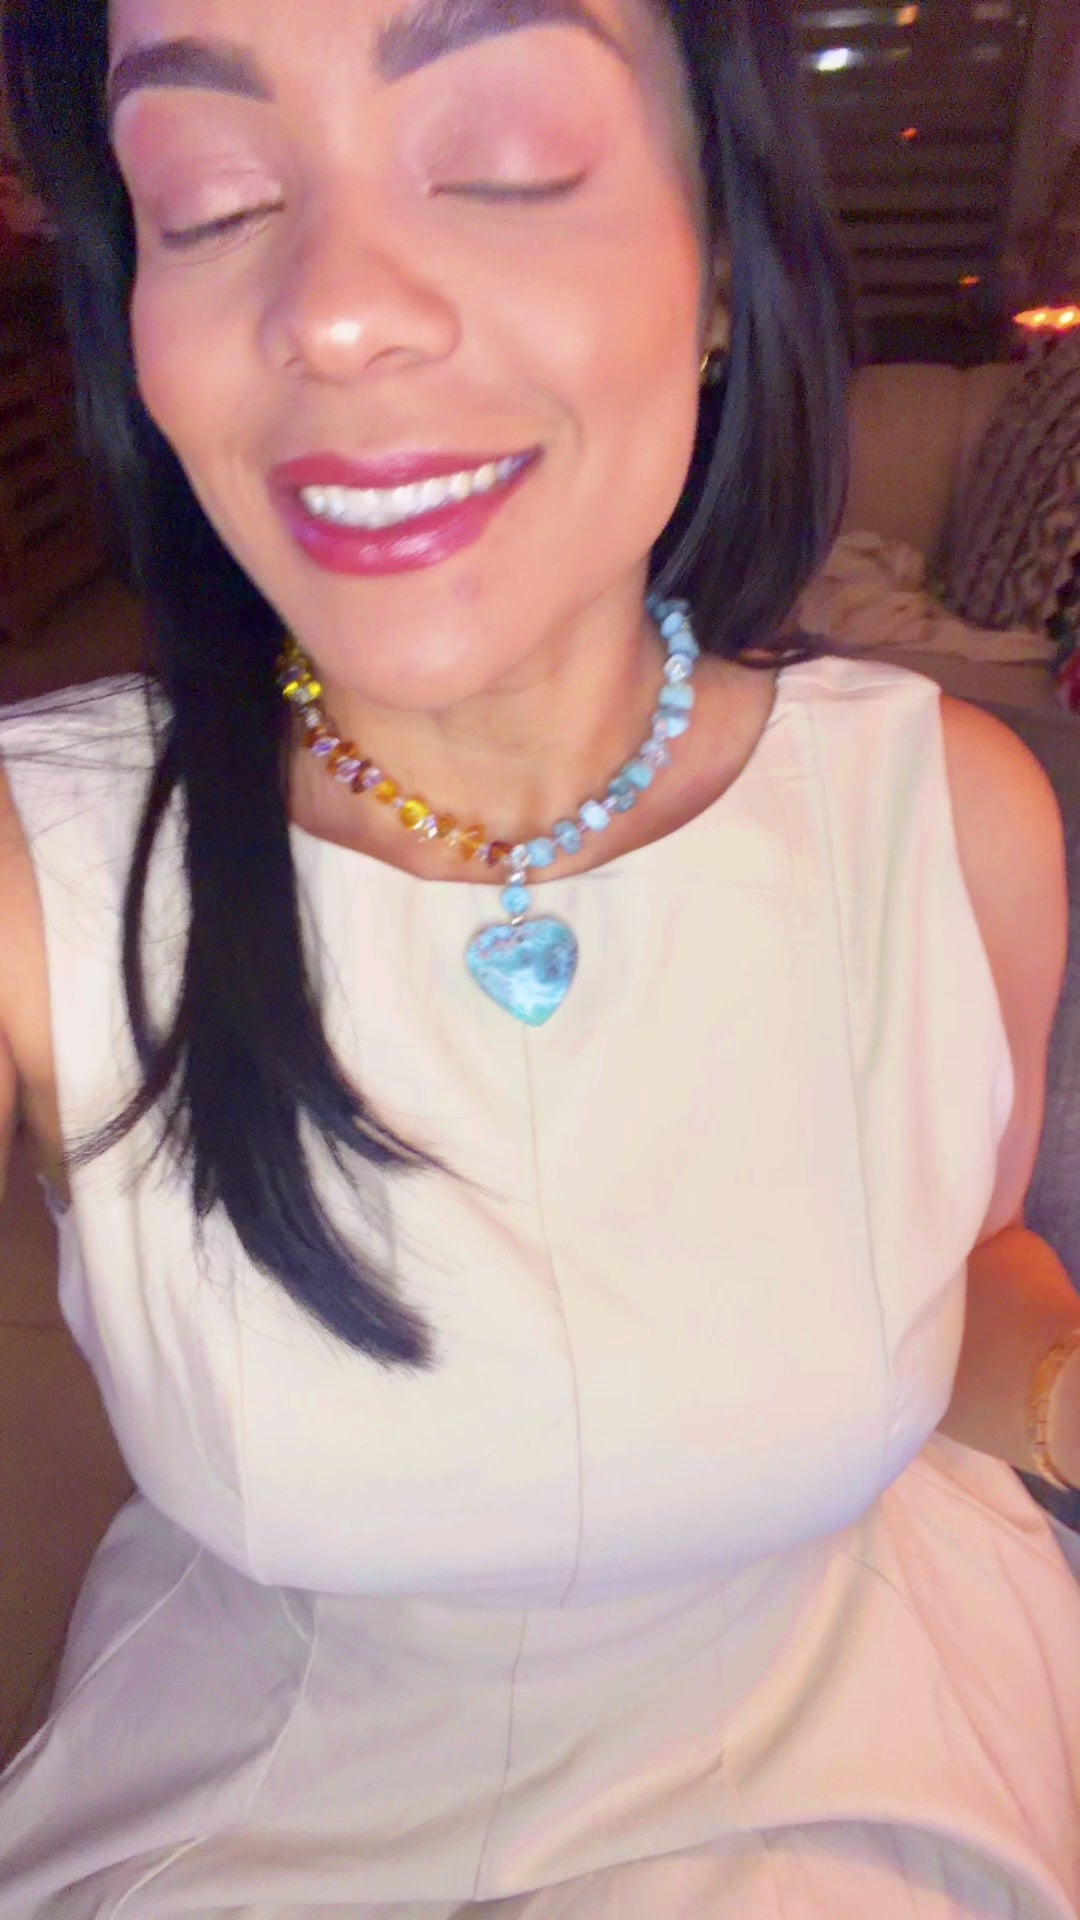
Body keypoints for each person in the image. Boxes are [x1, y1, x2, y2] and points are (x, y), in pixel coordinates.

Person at [0, 0, 1078, 1912]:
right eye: (211, 198)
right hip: (270, 1797)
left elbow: (963, 1274)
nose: (335, 313)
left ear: (722, 259)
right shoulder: (46, 866)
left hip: (853, 1736)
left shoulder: (948, 812)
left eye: (499, 164)